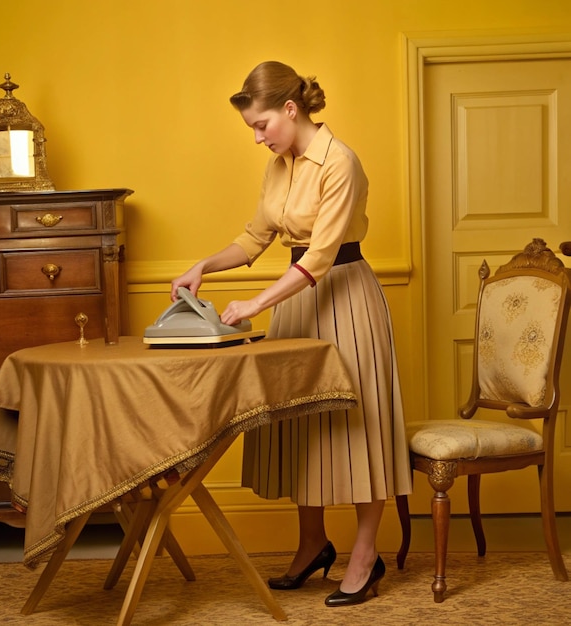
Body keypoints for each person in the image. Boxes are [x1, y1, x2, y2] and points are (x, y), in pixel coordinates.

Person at [171, 60, 412, 607]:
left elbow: (322, 256)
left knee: (359, 428)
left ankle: (364, 555)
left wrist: (255, 302)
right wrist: (203, 266)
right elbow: (255, 238)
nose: (257, 138)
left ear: (290, 108)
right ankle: (312, 545)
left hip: (345, 297)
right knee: (304, 425)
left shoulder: (340, 162)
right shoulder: (280, 165)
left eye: (262, 126)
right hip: (296, 304)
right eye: (251, 130)